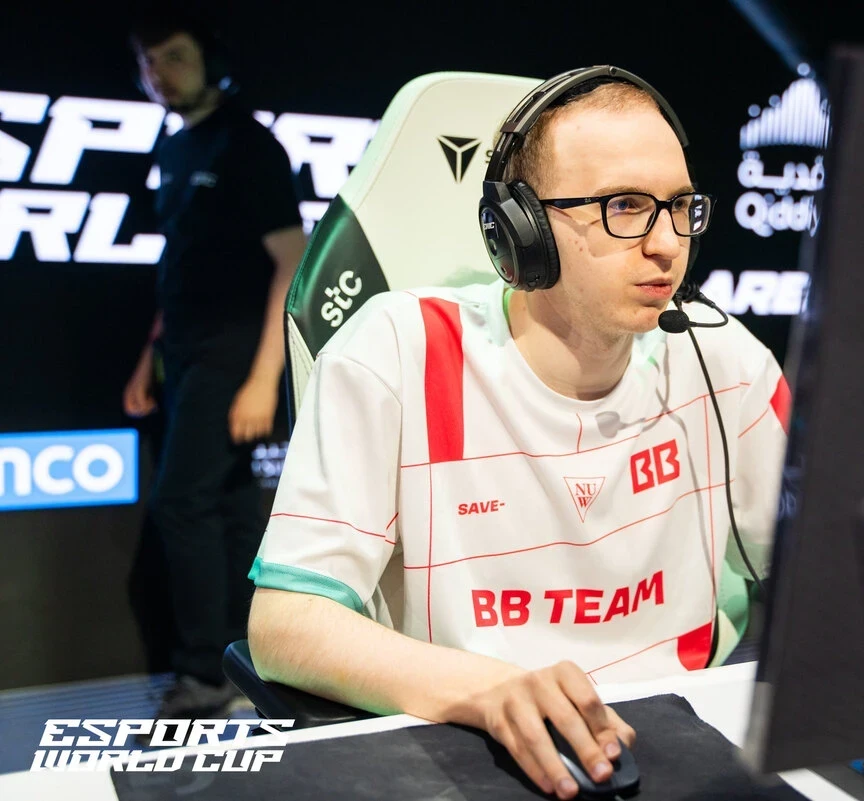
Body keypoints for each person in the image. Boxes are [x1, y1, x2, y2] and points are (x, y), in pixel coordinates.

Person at [247, 68, 788, 799]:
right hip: (465, 750)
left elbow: (827, 579)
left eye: (680, 206)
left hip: (683, 746)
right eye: (626, 206)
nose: (667, 243)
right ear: (521, 229)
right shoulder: (399, 351)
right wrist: (490, 689)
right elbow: (284, 625)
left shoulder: (723, 359)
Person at [121, 10, 307, 719]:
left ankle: (204, 673)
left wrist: (264, 378)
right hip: (182, 353)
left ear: (210, 61)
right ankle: (251, 659)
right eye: (149, 63)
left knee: (181, 503)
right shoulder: (174, 149)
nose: (160, 74)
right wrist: (150, 358)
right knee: (226, 507)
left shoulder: (248, 145)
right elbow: (181, 261)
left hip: (233, 353)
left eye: (174, 57)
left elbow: (291, 262)